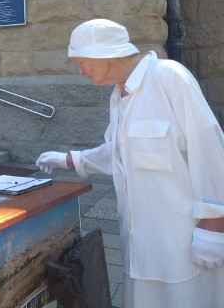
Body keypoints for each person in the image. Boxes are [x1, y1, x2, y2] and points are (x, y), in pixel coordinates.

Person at [36, 18, 224, 307]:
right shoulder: (119, 96)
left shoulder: (169, 78)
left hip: (182, 243)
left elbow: (209, 147)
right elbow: (118, 152)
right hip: (140, 245)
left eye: (82, 61)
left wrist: (213, 224)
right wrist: (70, 160)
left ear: (105, 54)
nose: (81, 71)